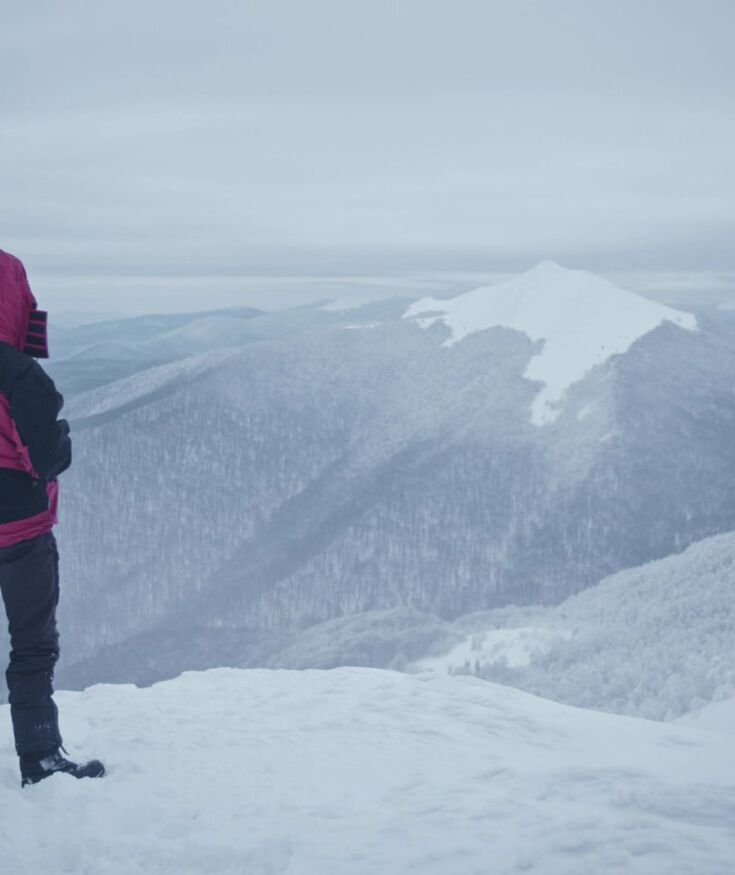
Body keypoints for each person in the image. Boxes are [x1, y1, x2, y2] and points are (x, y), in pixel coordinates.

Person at [0, 249, 105, 787]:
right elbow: (48, 456)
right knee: (32, 644)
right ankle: (41, 757)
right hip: (17, 528)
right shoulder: (18, 373)